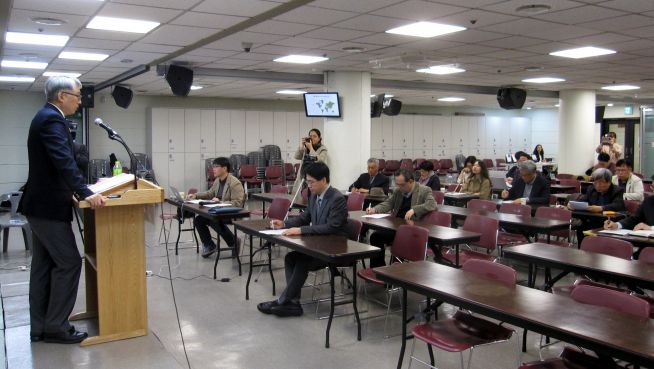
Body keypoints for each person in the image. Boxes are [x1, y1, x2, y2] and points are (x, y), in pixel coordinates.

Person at [19, 76, 106, 344]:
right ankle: (56, 326)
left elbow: (58, 163)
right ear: (62, 96)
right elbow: (63, 161)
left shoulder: (45, 117)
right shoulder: (51, 119)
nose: (80, 101)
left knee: (44, 266)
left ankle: (41, 326)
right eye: (77, 96)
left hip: (41, 205)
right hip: (47, 207)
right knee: (68, 262)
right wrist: (85, 192)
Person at [257, 163, 348, 317]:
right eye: (307, 182)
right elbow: (305, 217)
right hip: (318, 244)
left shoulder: (337, 198)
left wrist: (300, 230)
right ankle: (293, 303)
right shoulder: (313, 195)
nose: (308, 185)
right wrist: (284, 223)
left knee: (301, 262)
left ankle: (282, 301)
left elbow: (331, 227)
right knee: (291, 258)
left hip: (333, 248)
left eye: (311, 182)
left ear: (324, 180)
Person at [366, 168, 436, 267]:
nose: (399, 187)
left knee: (400, 240)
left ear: (411, 181)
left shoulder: (424, 190)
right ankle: (378, 269)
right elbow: (389, 203)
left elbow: (432, 204)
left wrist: (414, 210)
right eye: (397, 184)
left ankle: (398, 268)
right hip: (396, 226)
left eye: (402, 184)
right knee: (375, 236)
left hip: (412, 228)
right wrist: (375, 209)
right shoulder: (398, 191)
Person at [188, 157, 245, 258]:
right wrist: (196, 195)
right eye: (213, 166)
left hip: (230, 212)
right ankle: (209, 245)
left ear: (224, 168)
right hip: (218, 210)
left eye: (216, 166)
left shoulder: (234, 183)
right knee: (198, 220)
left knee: (213, 220)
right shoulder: (218, 181)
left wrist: (221, 202)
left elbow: (238, 203)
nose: (213, 169)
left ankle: (233, 241)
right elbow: (210, 193)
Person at [570, 168, 625, 242]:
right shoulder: (591, 189)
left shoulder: (617, 190)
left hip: (608, 222)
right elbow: (583, 200)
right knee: (581, 229)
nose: (597, 185)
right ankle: (582, 251)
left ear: (608, 182)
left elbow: (618, 205)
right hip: (592, 220)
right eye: (595, 182)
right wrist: (574, 205)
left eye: (601, 182)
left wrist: (601, 208)